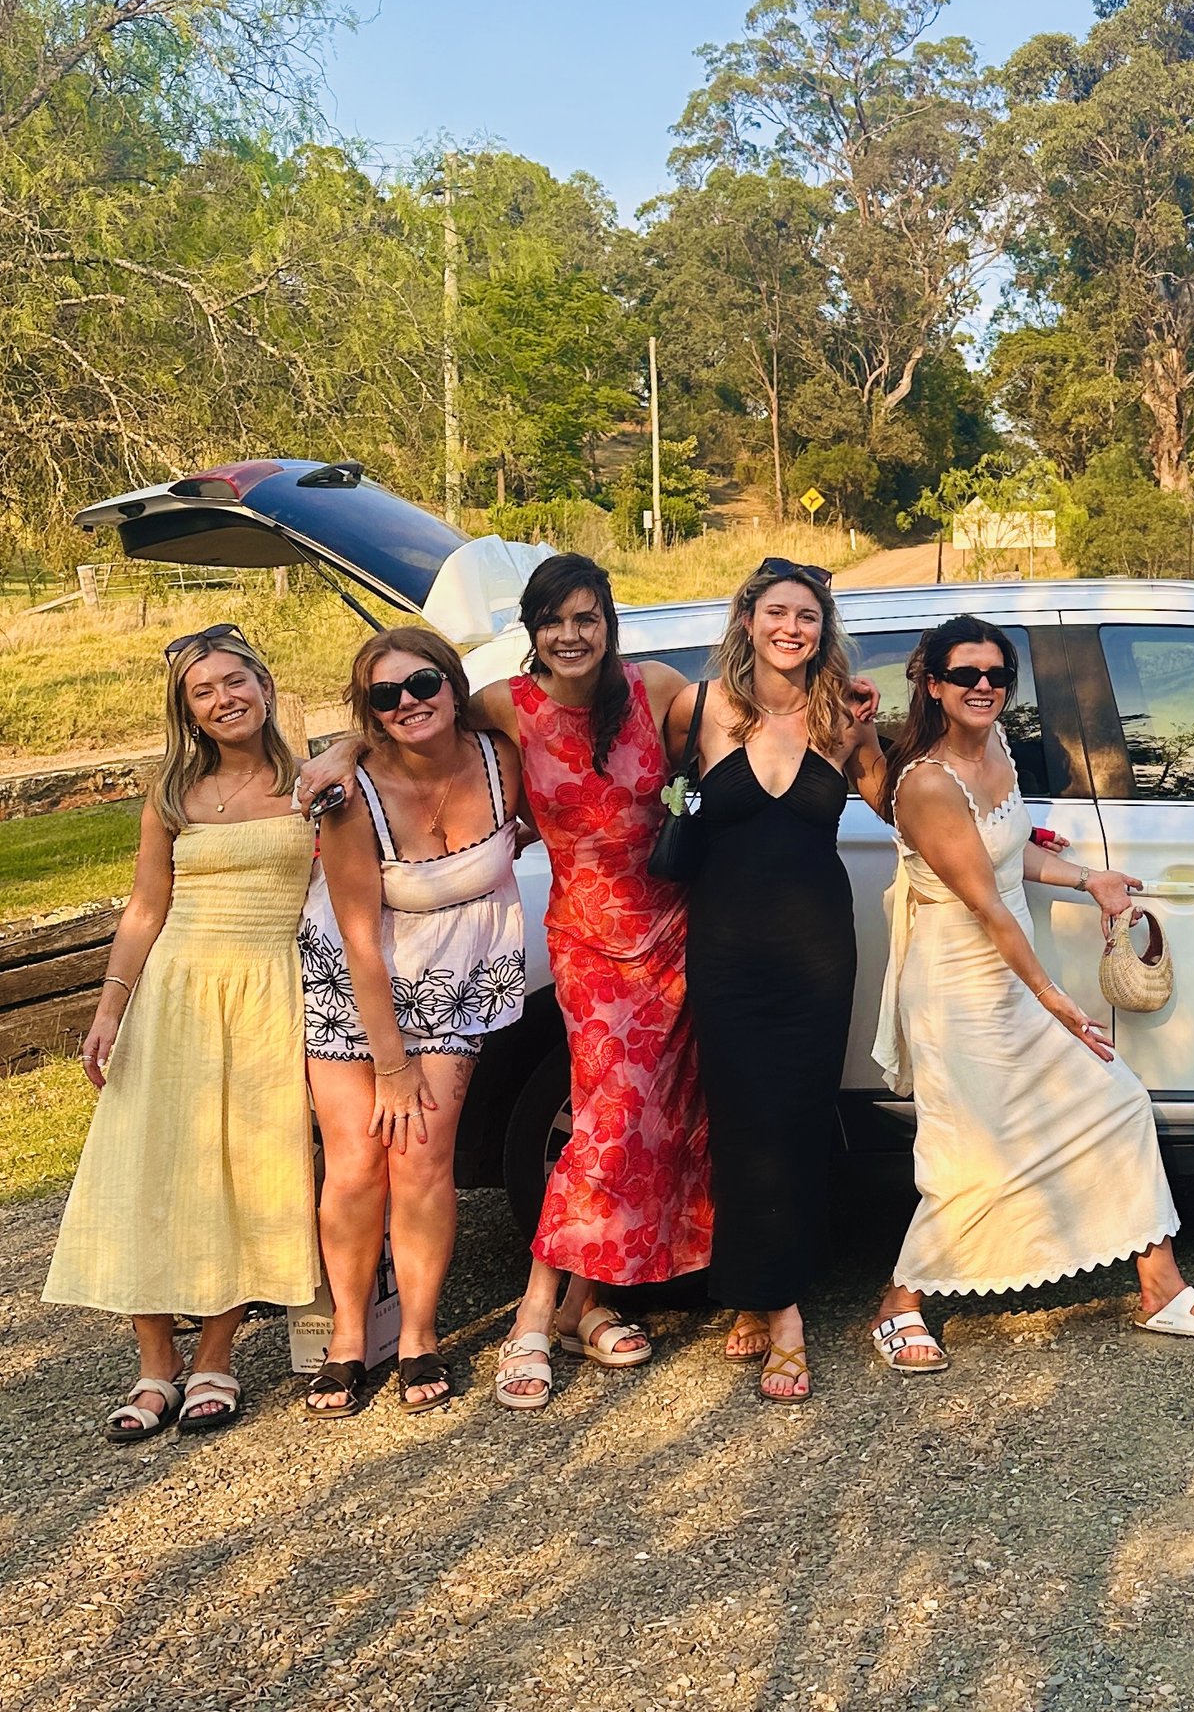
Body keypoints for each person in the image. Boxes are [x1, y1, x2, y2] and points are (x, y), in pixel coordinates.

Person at [299, 553, 705, 1410]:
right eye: (553, 619)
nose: (571, 634)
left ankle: (585, 1308)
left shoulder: (660, 687)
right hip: (585, 940)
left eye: (586, 617)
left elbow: (753, 720)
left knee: (644, 1123)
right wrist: (339, 746)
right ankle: (529, 1315)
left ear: (608, 621)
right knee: (596, 1119)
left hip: (667, 928)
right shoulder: (504, 708)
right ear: (531, 629)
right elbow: (403, 725)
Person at [868, 617, 1194, 1373]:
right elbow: (988, 905)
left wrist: (1089, 879)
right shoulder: (931, 783)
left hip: (1012, 975)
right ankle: (898, 1304)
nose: (984, 686)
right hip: (959, 991)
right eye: (966, 673)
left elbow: (1012, 863)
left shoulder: (996, 746)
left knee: (1116, 1103)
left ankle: (1159, 1288)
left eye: (997, 675)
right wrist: (1054, 997)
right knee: (971, 1154)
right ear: (932, 683)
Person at [45, 624, 320, 1439]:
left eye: (235, 681)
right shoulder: (173, 793)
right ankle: (154, 1363)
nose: (223, 698)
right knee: (147, 1165)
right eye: (203, 691)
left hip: (268, 989)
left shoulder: (316, 783)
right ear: (189, 711)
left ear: (265, 686)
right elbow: (145, 907)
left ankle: (218, 1353)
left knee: (248, 1168)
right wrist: (109, 1007)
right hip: (173, 991)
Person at [666, 558, 888, 1403]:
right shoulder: (699, 705)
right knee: (736, 1121)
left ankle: (782, 1310)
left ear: (822, 630)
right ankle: (754, 1290)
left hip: (815, 950)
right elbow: (615, 768)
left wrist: (891, 726)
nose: (792, 628)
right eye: (778, 613)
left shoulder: (841, 717)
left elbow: (896, 799)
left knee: (795, 1122)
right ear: (750, 619)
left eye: (808, 616)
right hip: (725, 945)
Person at [298, 625, 527, 1417]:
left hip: (455, 974)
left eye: (423, 684)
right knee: (357, 1159)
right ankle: (348, 1338)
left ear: (454, 684)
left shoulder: (503, 755)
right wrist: (390, 1063)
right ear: (369, 712)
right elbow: (361, 937)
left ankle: (421, 1336)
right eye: (385, 695)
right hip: (353, 975)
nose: (409, 703)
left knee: (424, 1159)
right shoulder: (349, 793)